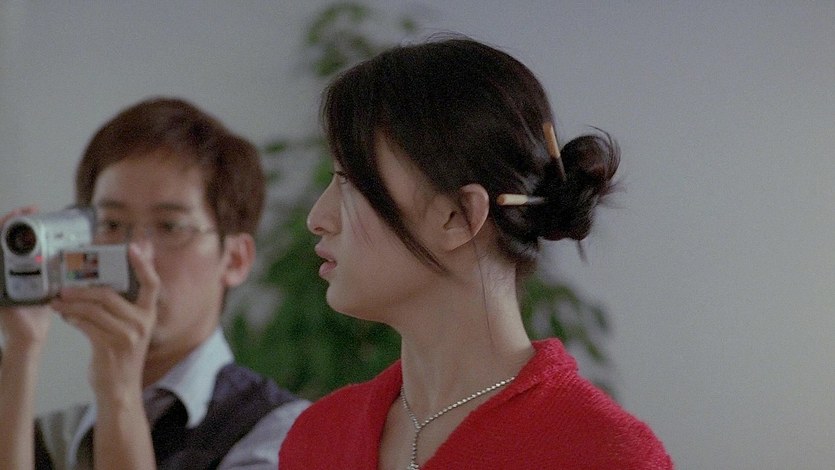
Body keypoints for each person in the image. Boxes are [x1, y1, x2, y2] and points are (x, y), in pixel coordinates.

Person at [279, 37, 673, 469]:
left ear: (459, 216)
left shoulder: (605, 455)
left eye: (350, 181)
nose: (317, 217)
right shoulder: (317, 436)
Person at [0, 97, 308, 469]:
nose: (136, 254)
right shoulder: (57, 436)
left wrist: (120, 390)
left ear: (235, 259)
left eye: (170, 227)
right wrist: (21, 348)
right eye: (111, 224)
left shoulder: (284, 434)